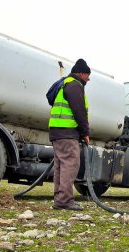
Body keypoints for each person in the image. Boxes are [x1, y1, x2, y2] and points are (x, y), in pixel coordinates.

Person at [49, 58, 91, 211]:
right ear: (80, 73)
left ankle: (60, 199)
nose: (89, 78)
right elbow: (79, 112)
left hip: (56, 131)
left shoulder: (65, 84)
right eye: (87, 75)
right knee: (70, 164)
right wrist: (85, 132)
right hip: (67, 132)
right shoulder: (75, 85)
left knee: (61, 166)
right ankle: (65, 200)